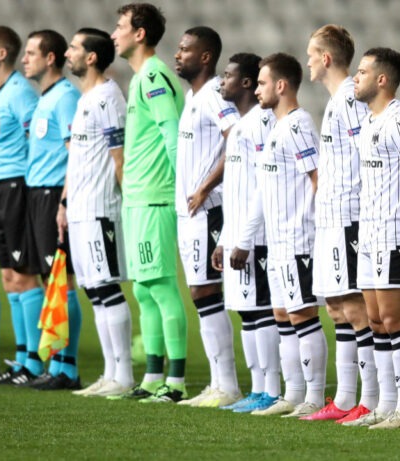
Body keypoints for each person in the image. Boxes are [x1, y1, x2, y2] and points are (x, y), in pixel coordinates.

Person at [347, 47, 400, 430]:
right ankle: (385, 405)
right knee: (376, 321)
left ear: (382, 80)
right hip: (369, 234)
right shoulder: (368, 122)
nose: (355, 77)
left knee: (396, 319)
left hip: (396, 231)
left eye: (362, 72)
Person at [109, 2, 187, 403]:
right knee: (143, 289)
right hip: (138, 199)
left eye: (120, 26)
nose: (113, 34)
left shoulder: (154, 75)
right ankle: (154, 376)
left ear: (139, 34)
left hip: (156, 197)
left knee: (162, 287)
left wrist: (182, 191)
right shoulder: (141, 77)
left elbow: (172, 135)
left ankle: (177, 382)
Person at [302, 24, 378, 423]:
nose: (308, 61)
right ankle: (346, 398)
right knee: (336, 307)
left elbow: (368, 155)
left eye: (311, 54)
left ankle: (369, 397)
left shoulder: (351, 99)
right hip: (330, 218)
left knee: (355, 306)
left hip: (350, 216)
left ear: (326, 58)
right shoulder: (336, 101)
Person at [244, 52, 327, 418]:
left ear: (280, 85)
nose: (256, 90)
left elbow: (317, 178)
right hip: (277, 242)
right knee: (282, 314)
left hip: (298, 239)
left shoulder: (298, 125)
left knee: (303, 314)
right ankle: (292, 394)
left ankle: (314, 396)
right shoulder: (277, 128)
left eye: (262, 83)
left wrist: (313, 226)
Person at [61, 27, 134, 397]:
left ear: (91, 57)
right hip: (79, 209)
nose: (68, 53)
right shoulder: (85, 98)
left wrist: (128, 203)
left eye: (74, 47)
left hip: (101, 208)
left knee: (107, 287)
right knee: (93, 290)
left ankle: (124, 376)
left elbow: (119, 157)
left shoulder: (108, 97)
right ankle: (110, 373)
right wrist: (64, 203)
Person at [173, 26, 242, 408]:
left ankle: (226, 385)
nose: (177, 54)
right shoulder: (192, 96)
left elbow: (236, 137)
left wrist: (204, 187)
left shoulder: (215, 93)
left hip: (207, 209)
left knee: (206, 292)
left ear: (205, 57)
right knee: (200, 294)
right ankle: (218, 383)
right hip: (189, 213)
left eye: (185, 49)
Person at [212, 52, 280, 413]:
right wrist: (225, 238)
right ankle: (256, 389)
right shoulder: (241, 125)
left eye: (227, 76)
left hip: (258, 238)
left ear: (247, 83)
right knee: (247, 313)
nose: (221, 82)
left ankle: (271, 390)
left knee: (262, 311)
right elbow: (236, 192)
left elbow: (262, 188)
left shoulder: (263, 123)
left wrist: (244, 239)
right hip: (238, 237)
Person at [0, 25, 39, 384]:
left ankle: (33, 360)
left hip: (17, 187)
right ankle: (22, 359)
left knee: (22, 273)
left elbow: (36, 142)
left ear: (1, 53)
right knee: (8, 276)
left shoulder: (18, 92)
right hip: (1, 188)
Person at [21, 29, 83, 389]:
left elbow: (75, 153)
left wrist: (64, 200)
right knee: (50, 279)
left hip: (53, 194)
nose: (24, 59)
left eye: (31, 53)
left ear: (50, 58)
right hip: (36, 194)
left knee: (62, 277)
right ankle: (57, 363)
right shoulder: (46, 98)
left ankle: (67, 368)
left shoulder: (65, 97)